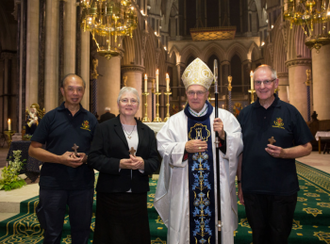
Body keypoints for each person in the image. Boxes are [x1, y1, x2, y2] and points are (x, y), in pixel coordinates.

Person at [154, 58, 243, 244]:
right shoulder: (175, 121)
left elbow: (239, 145)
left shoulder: (224, 117)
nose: (195, 97)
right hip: (184, 190)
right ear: (186, 93)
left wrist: (224, 136)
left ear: (208, 93)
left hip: (216, 190)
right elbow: (162, 146)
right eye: (191, 92)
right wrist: (183, 148)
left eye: (199, 92)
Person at [237, 65, 313, 244]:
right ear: (253, 85)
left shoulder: (289, 112)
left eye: (266, 82)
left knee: (278, 238)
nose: (262, 86)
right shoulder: (245, 114)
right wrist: (240, 184)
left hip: (282, 189)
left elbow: (307, 146)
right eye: (258, 82)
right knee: (258, 237)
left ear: (276, 83)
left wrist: (285, 153)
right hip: (253, 190)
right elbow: (240, 152)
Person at [28, 74, 98, 244]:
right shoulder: (50, 117)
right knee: (52, 234)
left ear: (84, 92)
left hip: (82, 185)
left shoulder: (91, 119)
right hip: (53, 184)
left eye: (79, 89)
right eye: (71, 88)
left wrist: (86, 158)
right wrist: (60, 159)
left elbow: (98, 153)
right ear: (62, 91)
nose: (75, 93)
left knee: (81, 234)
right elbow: (33, 149)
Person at [88, 87, 160, 244]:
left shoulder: (147, 131)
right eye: (125, 100)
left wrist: (143, 164)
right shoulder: (104, 128)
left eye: (133, 100)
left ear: (138, 105)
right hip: (110, 194)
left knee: (136, 236)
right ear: (118, 104)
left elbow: (155, 161)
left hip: (137, 195)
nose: (129, 104)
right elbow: (93, 158)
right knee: (111, 236)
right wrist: (118, 164)